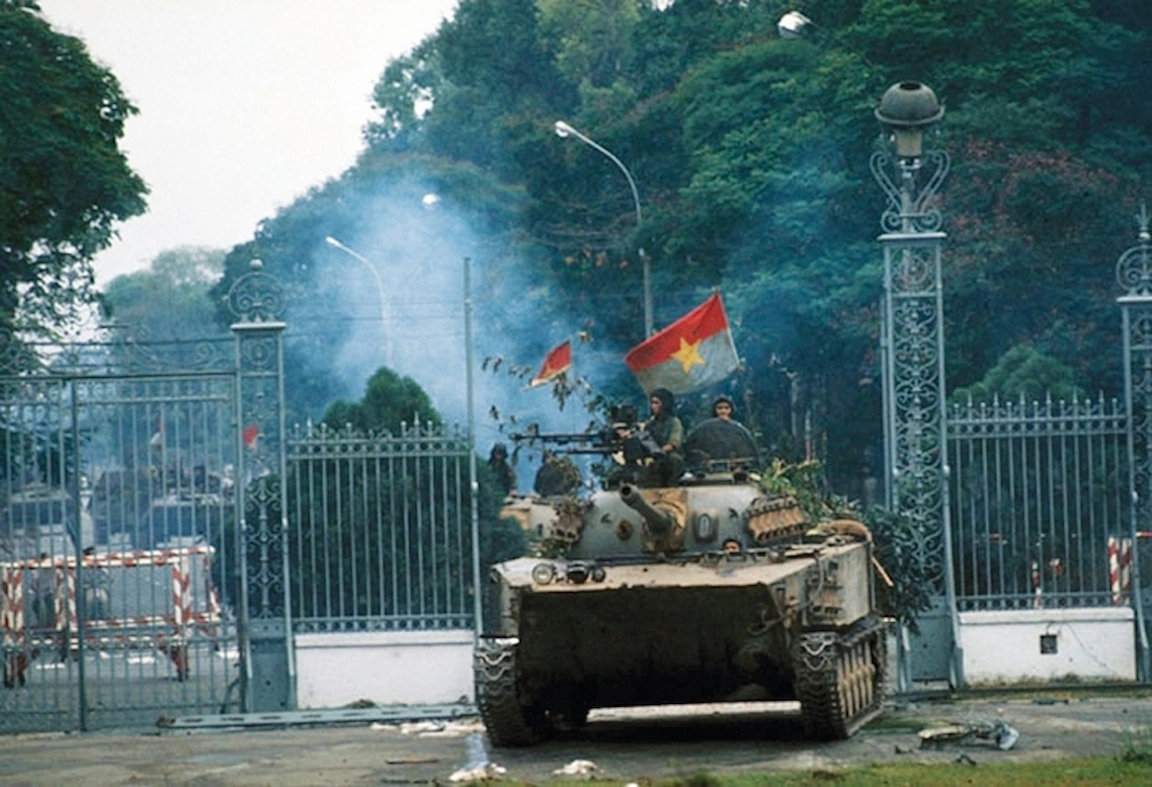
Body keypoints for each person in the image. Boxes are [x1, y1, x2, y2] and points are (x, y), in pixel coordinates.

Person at [641, 388, 685, 487]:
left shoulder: (674, 422)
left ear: (665, 404)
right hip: (653, 458)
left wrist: (660, 452)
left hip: (669, 458)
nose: (653, 406)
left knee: (674, 459)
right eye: (652, 403)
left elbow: (674, 443)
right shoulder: (650, 425)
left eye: (656, 403)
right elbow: (644, 441)